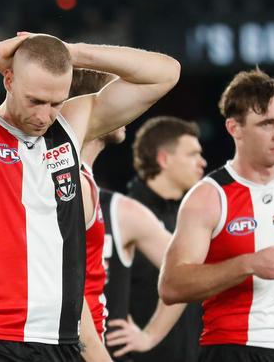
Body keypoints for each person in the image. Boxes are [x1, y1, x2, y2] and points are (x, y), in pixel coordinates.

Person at [0, 33, 180, 361]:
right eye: (34, 100)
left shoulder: (71, 126)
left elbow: (166, 72)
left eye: (55, 102)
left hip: (63, 341)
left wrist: (72, 53)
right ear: (9, 79)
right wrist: (0, 51)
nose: (44, 115)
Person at [159, 68, 274, 362]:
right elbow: (171, 285)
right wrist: (249, 264)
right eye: (267, 124)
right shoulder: (209, 197)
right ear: (235, 129)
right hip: (229, 350)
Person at [67, 70, 186, 361]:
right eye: (121, 100)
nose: (129, 111)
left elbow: (183, 275)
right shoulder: (68, 184)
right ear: (96, 105)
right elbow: (65, 291)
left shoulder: (85, 182)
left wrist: (150, 335)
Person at [123, 116, 206, 362]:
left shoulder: (198, 219)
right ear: (164, 159)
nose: (202, 162)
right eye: (192, 154)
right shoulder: (125, 217)